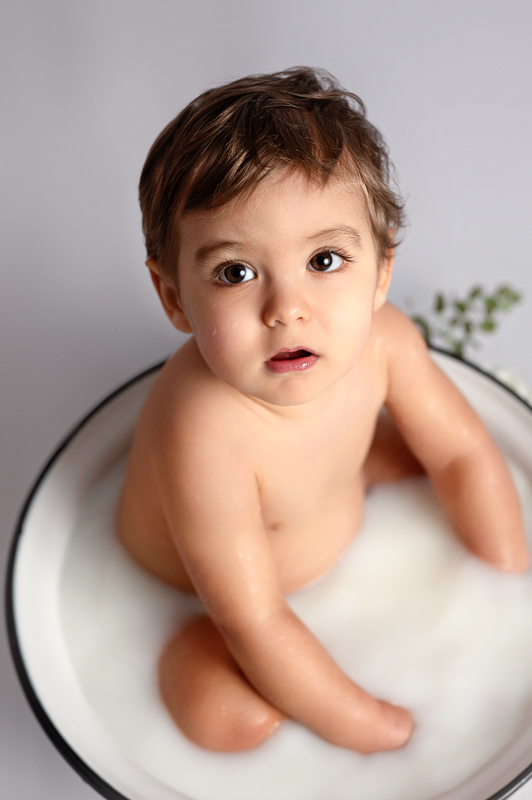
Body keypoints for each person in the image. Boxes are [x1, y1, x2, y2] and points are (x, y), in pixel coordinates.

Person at [117, 67, 529, 754]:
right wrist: (381, 731)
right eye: (236, 272)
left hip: (327, 517)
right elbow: (254, 620)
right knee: (237, 722)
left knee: (419, 460)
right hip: (208, 602)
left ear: (382, 271)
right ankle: (175, 646)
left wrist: (508, 581)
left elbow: (464, 454)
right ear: (174, 299)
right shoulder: (201, 428)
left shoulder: (386, 343)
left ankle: (361, 475)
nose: (287, 309)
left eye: (326, 259)